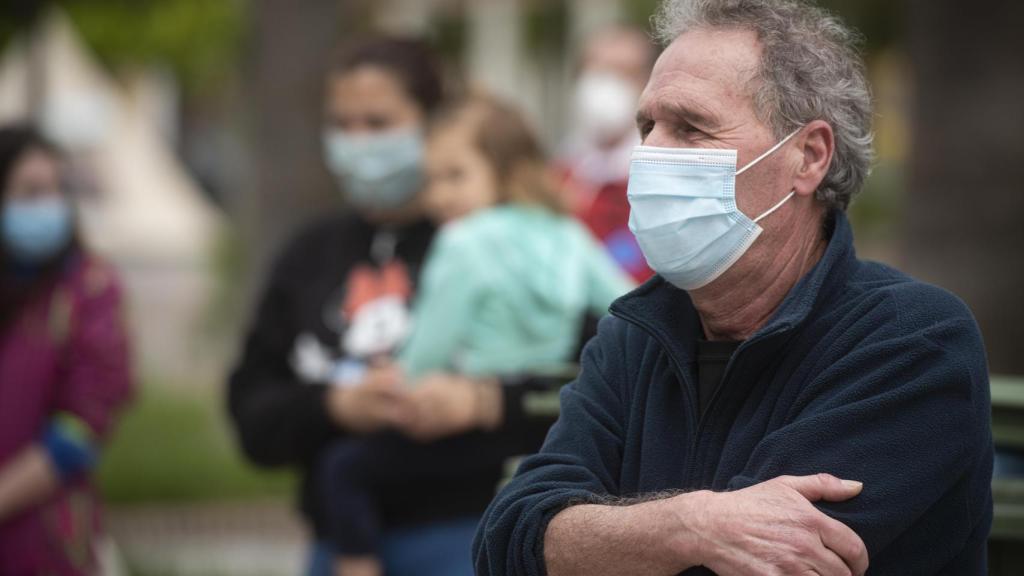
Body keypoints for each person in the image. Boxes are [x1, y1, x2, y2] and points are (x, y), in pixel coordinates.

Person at [474, 1, 993, 575]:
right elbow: (509, 540)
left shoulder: (911, 340)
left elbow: (763, 563)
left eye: (691, 128)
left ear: (809, 156)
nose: (649, 155)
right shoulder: (635, 332)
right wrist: (690, 528)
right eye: (647, 126)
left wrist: (602, 539)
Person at [227, 38, 589, 576]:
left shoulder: (505, 242)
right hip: (337, 547)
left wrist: (484, 402)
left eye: (377, 123)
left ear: (432, 123)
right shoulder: (309, 254)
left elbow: (592, 386)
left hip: (471, 536)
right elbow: (251, 413)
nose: (357, 142)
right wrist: (335, 406)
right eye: (342, 125)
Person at [320, 95, 633, 576]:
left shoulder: (462, 242)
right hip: (540, 421)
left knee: (343, 469)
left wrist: (395, 380)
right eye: (431, 180)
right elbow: (624, 307)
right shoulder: (566, 233)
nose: (437, 195)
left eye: (455, 175)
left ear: (506, 171)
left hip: (466, 416)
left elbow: (429, 352)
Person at [0, 125, 134, 575]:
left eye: (58, 190)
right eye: (30, 191)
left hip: (46, 541)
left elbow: (82, 428)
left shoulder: (87, 291)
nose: (49, 205)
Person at [556, 26, 658, 283]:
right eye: (599, 72)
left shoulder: (660, 173)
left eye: (624, 73)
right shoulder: (560, 173)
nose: (608, 86)